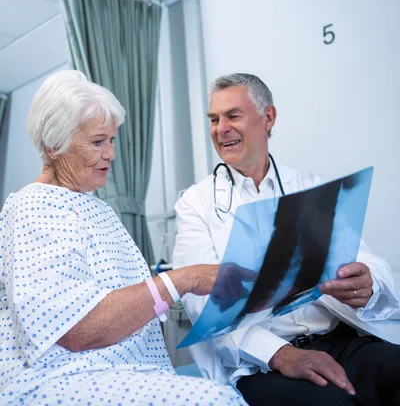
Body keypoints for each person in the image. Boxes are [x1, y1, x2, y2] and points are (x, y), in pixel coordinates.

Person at [0, 70, 247, 406]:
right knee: (220, 401)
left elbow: (130, 307)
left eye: (112, 140)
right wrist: (182, 279)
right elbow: (77, 330)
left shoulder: (96, 209)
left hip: (124, 371)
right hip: (59, 379)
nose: (111, 154)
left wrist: (173, 287)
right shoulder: (35, 207)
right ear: (54, 144)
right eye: (98, 141)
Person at [173, 73, 400, 406]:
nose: (220, 128)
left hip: (341, 339)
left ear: (268, 118)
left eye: (233, 116)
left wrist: (368, 285)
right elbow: (203, 306)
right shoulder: (196, 204)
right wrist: (280, 355)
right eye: (214, 119)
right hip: (261, 362)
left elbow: (364, 260)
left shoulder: (309, 187)